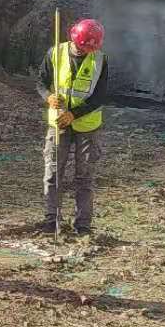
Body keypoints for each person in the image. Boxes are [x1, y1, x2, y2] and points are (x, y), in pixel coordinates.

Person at [37, 18, 110, 236]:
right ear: (74, 40)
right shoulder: (55, 54)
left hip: (87, 127)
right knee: (53, 172)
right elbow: (40, 83)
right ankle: (51, 220)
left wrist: (74, 114)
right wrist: (48, 97)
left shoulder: (100, 60)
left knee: (84, 177)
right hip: (59, 124)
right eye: (83, 48)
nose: (86, 52)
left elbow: (100, 97)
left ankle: (83, 225)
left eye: (91, 48)